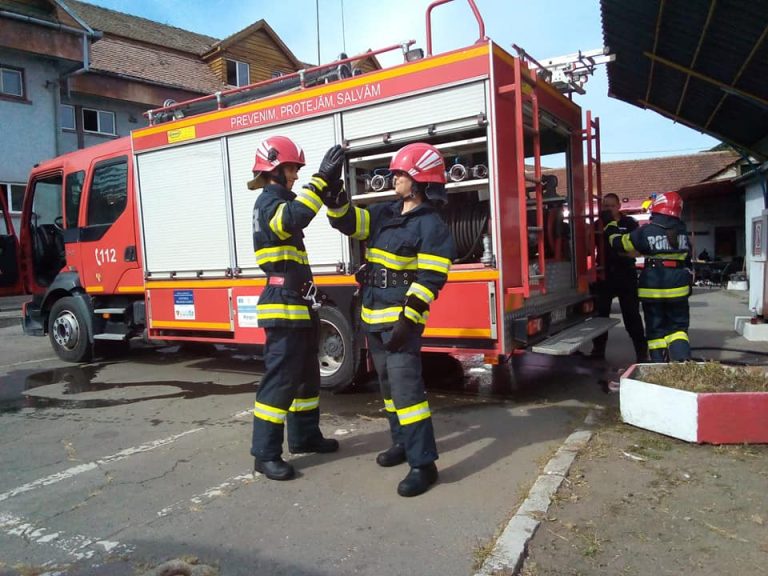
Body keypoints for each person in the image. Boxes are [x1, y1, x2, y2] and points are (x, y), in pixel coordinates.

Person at [323, 142, 456, 497]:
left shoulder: (432, 227)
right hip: (372, 319)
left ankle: (423, 464)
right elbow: (348, 223)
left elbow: (431, 280)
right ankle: (401, 444)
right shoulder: (384, 213)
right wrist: (333, 192)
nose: (393, 177)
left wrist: (408, 321)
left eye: (400, 173)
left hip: (400, 325)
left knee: (408, 393)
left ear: (420, 179)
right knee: (388, 391)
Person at [248, 135, 345, 481]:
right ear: (274, 168)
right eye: (292, 169)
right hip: (283, 305)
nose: (295, 176)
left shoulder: (277, 200)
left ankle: (304, 436)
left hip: (299, 304)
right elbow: (296, 217)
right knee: (280, 381)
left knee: (306, 378)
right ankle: (265, 454)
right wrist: (321, 179)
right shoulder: (268, 203)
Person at [604, 191, 692, 362]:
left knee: (655, 330)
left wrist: (610, 226)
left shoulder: (646, 231)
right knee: (678, 329)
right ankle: (682, 363)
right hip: (678, 288)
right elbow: (688, 256)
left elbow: (619, 244)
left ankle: (658, 366)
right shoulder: (682, 231)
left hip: (653, 287)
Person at [592, 193, 647, 363]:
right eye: (604, 206)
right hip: (604, 274)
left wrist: (622, 252)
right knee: (600, 316)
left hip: (626, 274)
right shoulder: (597, 224)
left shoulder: (629, 223)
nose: (607, 209)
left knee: (632, 316)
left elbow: (636, 249)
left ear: (619, 207)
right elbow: (589, 248)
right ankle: (598, 352)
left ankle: (641, 353)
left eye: (611, 206)